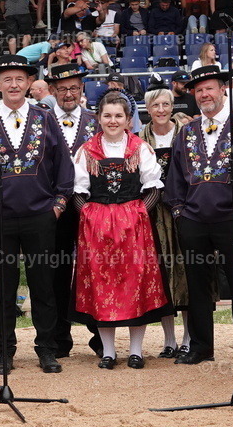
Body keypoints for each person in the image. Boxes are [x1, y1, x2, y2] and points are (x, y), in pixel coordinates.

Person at [0, 56, 74, 374]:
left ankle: (47, 349)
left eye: (20, 79)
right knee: (3, 289)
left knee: (44, 286)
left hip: (41, 216)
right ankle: (5, 352)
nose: (14, 85)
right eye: (7, 79)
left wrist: (58, 203)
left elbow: (63, 165)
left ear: (29, 83)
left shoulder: (46, 119)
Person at [164, 65, 233, 365]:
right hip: (193, 219)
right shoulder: (186, 131)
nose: (205, 94)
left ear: (223, 90)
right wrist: (179, 210)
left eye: (210, 88)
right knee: (197, 285)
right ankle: (201, 346)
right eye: (199, 90)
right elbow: (176, 175)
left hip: (231, 219)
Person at [70, 92, 169, 369]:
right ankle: (109, 351)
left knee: (135, 283)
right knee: (103, 286)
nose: (113, 121)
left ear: (128, 119)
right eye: (107, 115)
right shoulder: (86, 151)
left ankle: (136, 350)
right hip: (97, 231)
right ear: (98, 117)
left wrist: (136, 215)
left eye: (118, 116)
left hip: (134, 229)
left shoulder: (141, 148)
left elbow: (153, 189)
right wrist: (90, 216)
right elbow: (78, 192)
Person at [44, 63, 101, 358]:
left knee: (95, 268)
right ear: (52, 91)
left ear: (82, 90)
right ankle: (57, 339)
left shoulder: (96, 121)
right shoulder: (41, 120)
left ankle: (100, 336)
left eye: (74, 88)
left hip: (90, 208)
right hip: (53, 209)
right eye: (62, 88)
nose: (68, 94)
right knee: (55, 271)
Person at [139, 80, 191, 358]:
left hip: (182, 210)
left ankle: (188, 337)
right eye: (155, 105)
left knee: (185, 271)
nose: (161, 109)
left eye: (166, 104)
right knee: (160, 273)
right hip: (152, 213)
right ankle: (168, 340)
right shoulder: (137, 138)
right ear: (147, 108)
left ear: (172, 107)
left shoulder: (187, 134)